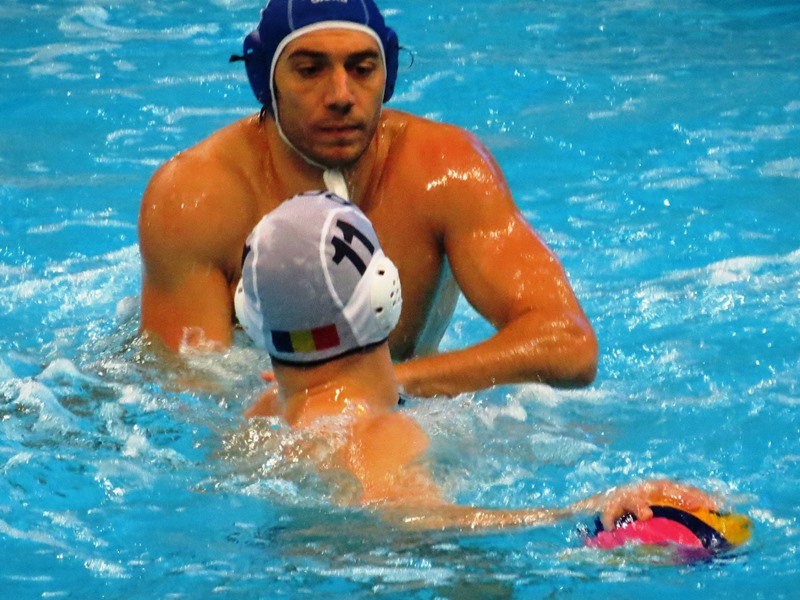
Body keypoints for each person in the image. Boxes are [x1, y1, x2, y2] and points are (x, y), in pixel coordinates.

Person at [138, 0, 599, 398]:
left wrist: (388, 384)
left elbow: (569, 345)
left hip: (411, 404)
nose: (341, 95)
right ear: (264, 79)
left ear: (388, 73)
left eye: (362, 69)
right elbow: (189, 397)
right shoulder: (197, 197)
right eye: (310, 70)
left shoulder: (447, 171)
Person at [233, 190, 722, 531]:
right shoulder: (378, 435)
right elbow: (413, 518)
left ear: (253, 317)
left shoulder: (263, 411)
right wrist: (582, 511)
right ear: (384, 291)